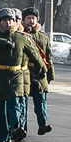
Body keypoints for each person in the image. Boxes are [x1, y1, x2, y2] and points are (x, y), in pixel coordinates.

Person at [0, 9, 45, 142]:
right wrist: (4, 43)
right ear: (0, 22)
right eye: (4, 20)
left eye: (10, 20)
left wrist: (42, 68)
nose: (7, 23)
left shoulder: (21, 37)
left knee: (14, 103)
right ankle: (1, 137)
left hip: (15, 76)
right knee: (0, 109)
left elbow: (34, 53)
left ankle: (15, 128)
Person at [20, 7, 54, 135]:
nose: (31, 21)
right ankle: (22, 127)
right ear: (23, 20)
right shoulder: (20, 36)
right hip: (24, 72)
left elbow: (48, 57)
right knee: (22, 102)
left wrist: (49, 76)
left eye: (33, 18)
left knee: (41, 102)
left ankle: (42, 124)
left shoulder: (43, 37)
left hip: (39, 73)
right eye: (28, 18)